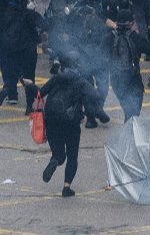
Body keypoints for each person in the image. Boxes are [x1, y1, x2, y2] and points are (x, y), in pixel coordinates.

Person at [36, 52, 104, 198]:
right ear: (77, 65)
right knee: (72, 156)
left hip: (52, 119)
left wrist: (30, 86)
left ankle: (55, 160)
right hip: (71, 122)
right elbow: (96, 96)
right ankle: (66, 188)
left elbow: (40, 93)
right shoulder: (81, 82)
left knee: (59, 154)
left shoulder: (56, 79)